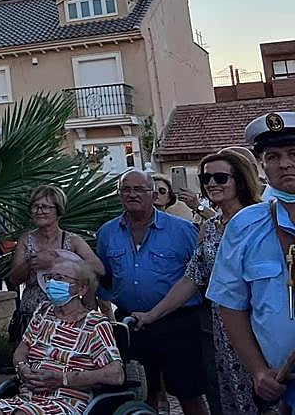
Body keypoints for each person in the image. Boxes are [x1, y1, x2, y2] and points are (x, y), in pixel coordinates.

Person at [133, 149, 262, 415]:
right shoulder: (210, 227)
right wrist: (151, 315)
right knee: (226, 401)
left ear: (240, 180)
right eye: (206, 179)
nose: (212, 183)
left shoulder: (261, 219)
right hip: (220, 331)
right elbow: (192, 278)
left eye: (220, 177)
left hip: (260, 328)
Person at [96, 169, 207, 415]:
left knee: (188, 392)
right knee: (143, 392)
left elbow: (201, 274)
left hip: (177, 323)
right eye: (126, 189)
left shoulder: (182, 230)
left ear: (152, 193)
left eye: (139, 189)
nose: (132, 194)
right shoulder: (107, 233)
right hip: (131, 324)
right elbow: (103, 278)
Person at [208, 112, 295, 413]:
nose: (284, 163)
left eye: (293, 154)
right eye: (274, 156)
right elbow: (230, 304)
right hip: (285, 381)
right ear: (262, 165)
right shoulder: (245, 225)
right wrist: (258, 370)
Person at [0, 256, 123, 415]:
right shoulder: (44, 312)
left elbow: (116, 374)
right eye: (49, 277)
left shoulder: (95, 324)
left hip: (67, 398)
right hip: (31, 394)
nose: (52, 283)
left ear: (82, 289)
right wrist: (22, 368)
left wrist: (62, 379)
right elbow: (22, 350)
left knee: (24, 414)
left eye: (59, 278)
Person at [9, 185, 106, 329]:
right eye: (35, 207)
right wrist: (31, 263)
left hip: (67, 315)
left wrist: (56, 262)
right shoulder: (26, 240)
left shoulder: (72, 240)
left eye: (45, 207)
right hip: (32, 314)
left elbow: (99, 269)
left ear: (58, 211)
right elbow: (14, 280)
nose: (39, 211)